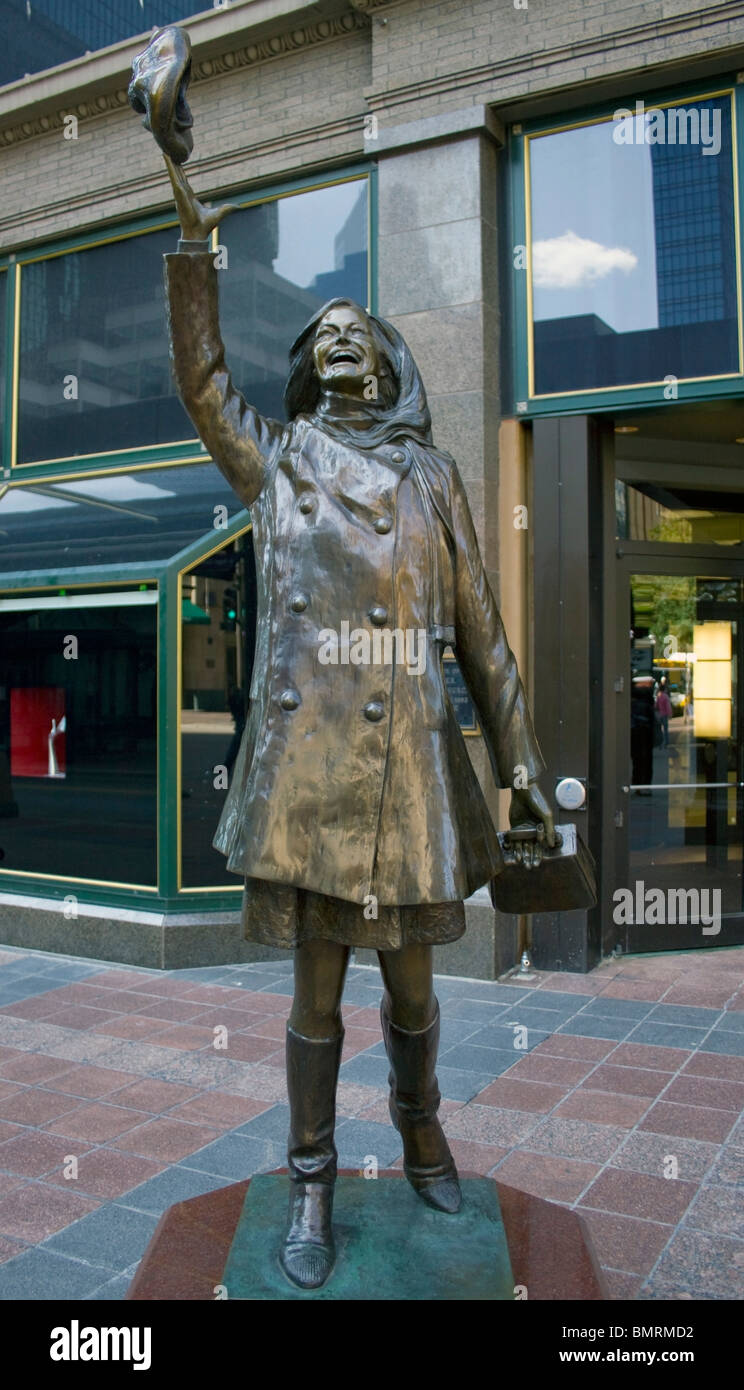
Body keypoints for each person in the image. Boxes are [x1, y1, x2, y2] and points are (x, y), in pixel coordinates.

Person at [161, 159, 555, 1291]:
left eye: (357, 332)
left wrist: (521, 761)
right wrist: (198, 241)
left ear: (388, 361)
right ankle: (312, 1176)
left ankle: (425, 1133)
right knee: (318, 989)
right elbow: (200, 381)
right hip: (315, 773)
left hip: (413, 767)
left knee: (418, 985)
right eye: (323, 334)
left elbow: (479, 627)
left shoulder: (432, 477)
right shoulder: (278, 461)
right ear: (309, 367)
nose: (340, 342)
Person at [655, 677, 672, 748]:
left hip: (659, 715)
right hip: (665, 715)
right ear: (664, 689)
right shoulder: (665, 696)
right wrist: (670, 714)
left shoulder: (658, 696)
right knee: (665, 729)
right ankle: (666, 742)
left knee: (660, 729)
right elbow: (668, 706)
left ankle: (661, 742)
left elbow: (656, 705)